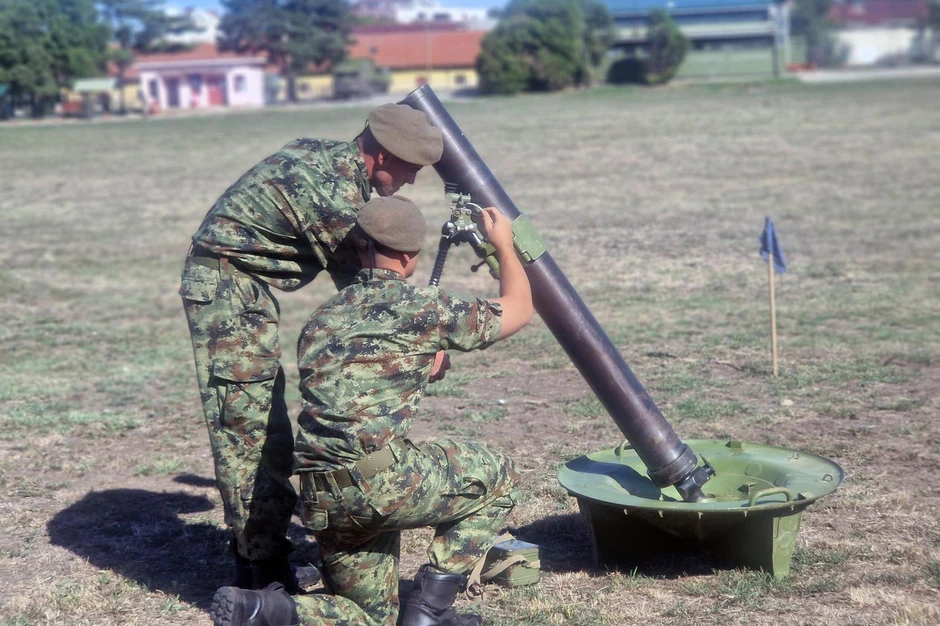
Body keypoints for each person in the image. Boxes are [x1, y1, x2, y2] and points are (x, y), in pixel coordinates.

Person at [209, 196, 534, 626]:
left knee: (371, 618)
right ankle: (430, 610)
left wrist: (419, 357)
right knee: (498, 474)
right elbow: (519, 309)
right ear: (410, 255)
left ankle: (273, 609)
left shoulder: (323, 318)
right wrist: (505, 247)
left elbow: (358, 375)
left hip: (321, 494)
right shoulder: (421, 310)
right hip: (378, 482)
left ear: (362, 246)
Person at [179, 106, 444, 593]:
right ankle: (259, 574)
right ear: (382, 153)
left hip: (243, 288)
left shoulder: (326, 155)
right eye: (410, 168)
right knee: (250, 430)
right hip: (225, 289)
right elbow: (372, 293)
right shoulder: (335, 195)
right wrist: (425, 341)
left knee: (264, 426)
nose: (410, 182)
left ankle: (265, 551)